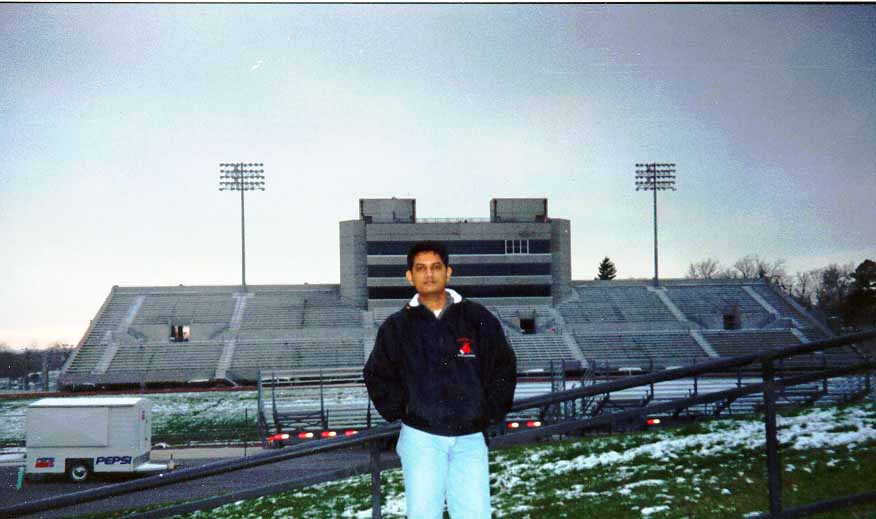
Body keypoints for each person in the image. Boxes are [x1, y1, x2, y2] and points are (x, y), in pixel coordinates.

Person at [363, 241, 517, 518]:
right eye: (420, 268)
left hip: (470, 437)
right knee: (423, 514)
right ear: (410, 276)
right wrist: (405, 411)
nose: (429, 274)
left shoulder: (476, 317)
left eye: (436, 267)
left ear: (448, 272)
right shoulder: (396, 327)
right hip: (422, 438)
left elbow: (503, 366)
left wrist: (487, 411)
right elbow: (377, 374)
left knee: (475, 513)